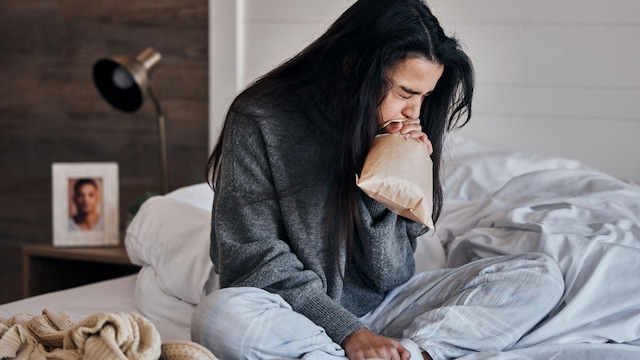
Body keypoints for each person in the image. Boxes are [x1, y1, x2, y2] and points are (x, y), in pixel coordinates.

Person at [192, 0, 565, 359]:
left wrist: (389, 175)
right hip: (296, 314)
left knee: (540, 274)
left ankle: (414, 354)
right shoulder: (259, 119)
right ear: (354, 67)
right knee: (220, 315)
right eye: (406, 92)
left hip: (387, 310)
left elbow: (391, 276)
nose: (415, 111)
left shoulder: (400, 137)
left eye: (425, 96)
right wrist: (350, 333)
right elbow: (252, 259)